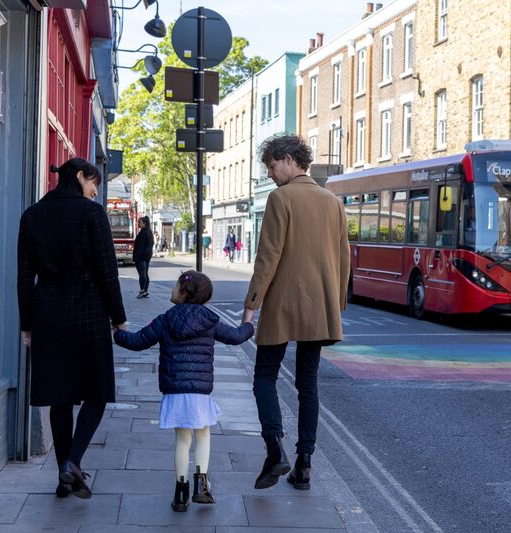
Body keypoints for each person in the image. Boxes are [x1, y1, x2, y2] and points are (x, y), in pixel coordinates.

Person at [241, 134, 350, 491]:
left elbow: (268, 256)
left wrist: (251, 305)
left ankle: (275, 449)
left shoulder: (280, 198)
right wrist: (337, 305)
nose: (270, 174)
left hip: (283, 304)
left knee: (264, 376)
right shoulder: (332, 201)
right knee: (308, 384)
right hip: (320, 305)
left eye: (272, 167)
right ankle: (304, 465)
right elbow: (343, 257)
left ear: (289, 160)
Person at [18, 158, 127, 500]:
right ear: (79, 177)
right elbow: (107, 272)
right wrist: (119, 317)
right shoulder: (92, 214)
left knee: (59, 398)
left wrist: (26, 323)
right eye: (93, 183)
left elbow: (24, 277)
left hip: (47, 314)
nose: (95, 191)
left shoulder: (32, 215)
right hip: (89, 312)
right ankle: (72, 462)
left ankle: (63, 476)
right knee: (96, 393)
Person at [114, 270, 254, 512]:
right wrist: (249, 324)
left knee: (182, 439)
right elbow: (236, 336)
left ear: (183, 292)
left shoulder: (166, 319)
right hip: (199, 391)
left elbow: (138, 341)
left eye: (175, 285)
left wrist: (117, 333)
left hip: (175, 389)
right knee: (202, 436)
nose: (172, 289)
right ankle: (201, 485)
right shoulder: (210, 320)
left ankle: (181, 493)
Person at [133, 216, 154, 298]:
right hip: (147, 255)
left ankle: (142, 290)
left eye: (140, 222)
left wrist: (136, 257)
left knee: (142, 274)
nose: (138, 224)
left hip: (141, 256)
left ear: (144, 224)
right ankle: (145, 290)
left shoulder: (143, 233)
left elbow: (139, 247)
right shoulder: (149, 232)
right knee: (145, 273)